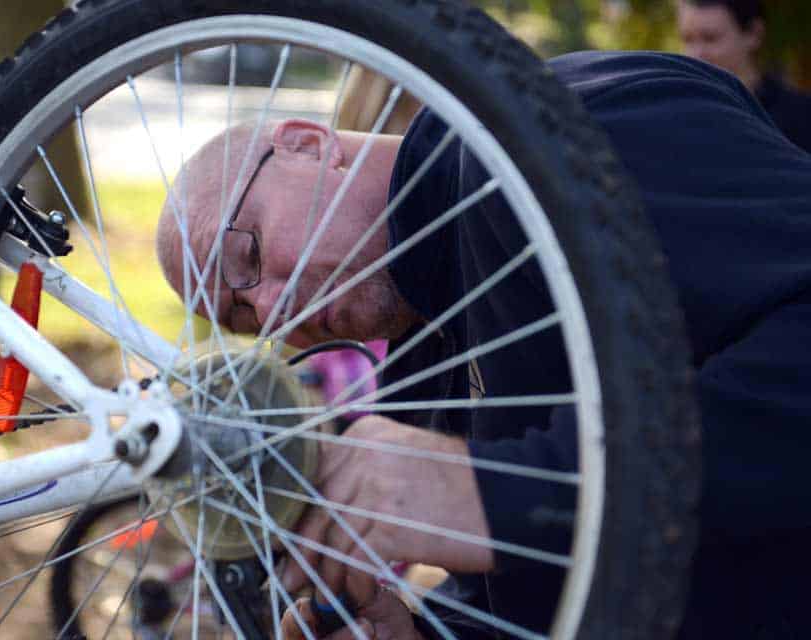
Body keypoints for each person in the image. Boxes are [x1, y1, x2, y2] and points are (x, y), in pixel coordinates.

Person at [156, 50, 811, 638]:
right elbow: (535, 601)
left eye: (247, 257)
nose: (272, 307)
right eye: (244, 319)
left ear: (306, 143)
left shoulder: (562, 132)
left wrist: (496, 492)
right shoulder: (419, 368)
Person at [678, 0, 811, 153]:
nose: (696, 54)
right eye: (687, 39)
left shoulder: (802, 117)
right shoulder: (680, 116)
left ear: (754, 34)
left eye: (710, 38)